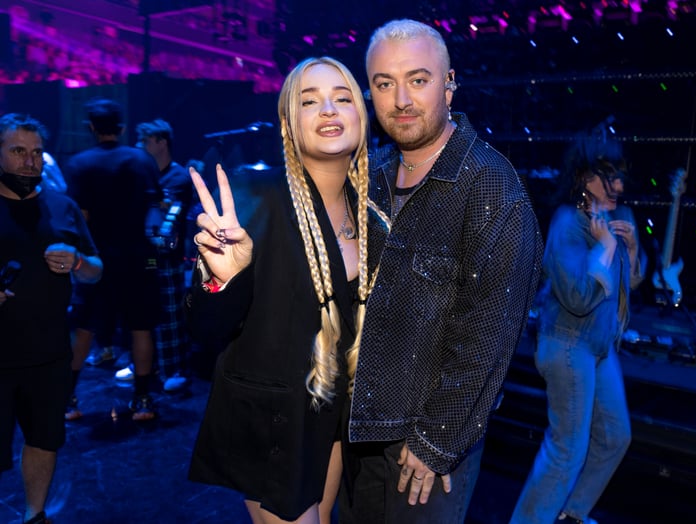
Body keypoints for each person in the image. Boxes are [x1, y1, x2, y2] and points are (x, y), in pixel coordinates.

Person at [339, 19, 543, 523]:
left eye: (419, 79)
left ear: (450, 83)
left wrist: (436, 441)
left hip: (421, 446)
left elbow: (489, 337)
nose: (401, 99)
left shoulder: (491, 188)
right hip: (352, 430)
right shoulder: (370, 177)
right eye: (385, 83)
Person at [185, 57, 389, 523]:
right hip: (272, 422)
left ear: (362, 113)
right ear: (288, 124)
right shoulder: (257, 195)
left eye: (342, 98)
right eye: (309, 100)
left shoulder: (372, 213)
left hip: (331, 417)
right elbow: (205, 328)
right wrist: (222, 277)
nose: (329, 110)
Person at [509, 134, 644, 524]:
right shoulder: (568, 223)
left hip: (600, 348)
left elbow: (629, 285)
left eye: (621, 176)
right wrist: (604, 249)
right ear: (585, 177)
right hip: (567, 344)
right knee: (567, 450)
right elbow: (580, 298)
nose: (619, 185)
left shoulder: (617, 221)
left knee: (616, 437)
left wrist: (630, 251)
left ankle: (569, 514)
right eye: (609, 176)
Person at [0, 113, 102, 524]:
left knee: (44, 440)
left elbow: (98, 269)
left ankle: (34, 515)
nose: (30, 161)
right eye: (18, 151)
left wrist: (78, 261)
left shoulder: (62, 206)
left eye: (37, 153)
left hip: (48, 352)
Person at [63, 98, 161, 421]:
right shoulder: (142, 160)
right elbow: (155, 209)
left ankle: (68, 401)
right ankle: (144, 400)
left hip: (98, 259)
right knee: (141, 327)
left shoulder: (79, 164)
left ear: (91, 127)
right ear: (121, 128)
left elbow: (82, 217)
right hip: (138, 256)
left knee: (84, 327)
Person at [113, 119, 193, 393]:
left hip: (166, 257)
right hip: (141, 255)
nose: (139, 146)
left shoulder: (178, 176)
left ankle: (175, 369)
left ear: (161, 142)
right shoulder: (141, 173)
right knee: (140, 314)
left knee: (170, 315)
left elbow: (166, 215)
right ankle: (142, 364)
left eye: (145, 141)